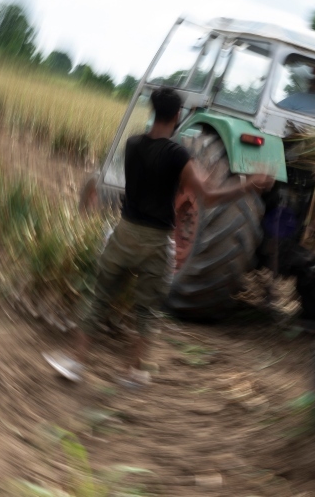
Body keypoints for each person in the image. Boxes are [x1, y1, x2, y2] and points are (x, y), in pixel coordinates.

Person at [47, 88, 274, 386]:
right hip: (155, 243)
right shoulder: (177, 154)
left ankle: (76, 363)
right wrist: (250, 186)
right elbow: (208, 195)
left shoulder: (132, 144)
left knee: (99, 299)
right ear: (178, 115)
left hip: (124, 234)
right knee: (146, 312)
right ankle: (133, 372)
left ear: (153, 112)